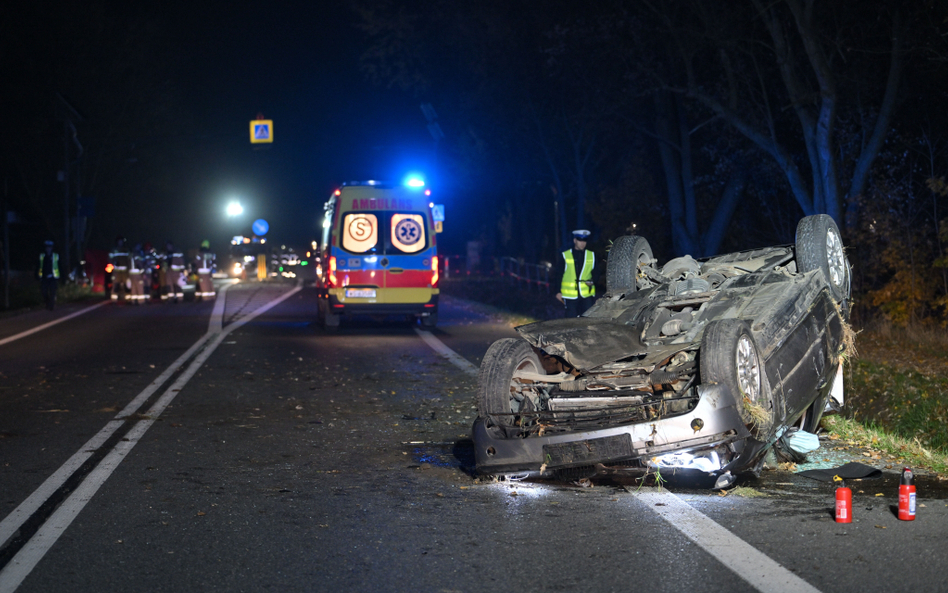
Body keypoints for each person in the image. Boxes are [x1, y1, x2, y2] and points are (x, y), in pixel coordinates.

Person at [556, 229, 598, 317]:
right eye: (580, 240)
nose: (582, 243)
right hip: (570, 295)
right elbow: (558, 274)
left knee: (587, 319)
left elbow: (596, 272)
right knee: (571, 320)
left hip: (586, 294)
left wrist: (593, 281)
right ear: (575, 240)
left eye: (585, 240)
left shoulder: (591, 255)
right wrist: (557, 291)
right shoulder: (565, 255)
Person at [37, 240, 60, 310]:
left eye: (50, 247)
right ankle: (48, 303)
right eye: (47, 247)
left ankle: (51, 306)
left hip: (53, 277)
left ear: (52, 248)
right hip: (44, 277)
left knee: (53, 292)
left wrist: (62, 277)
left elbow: (60, 266)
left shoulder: (56, 256)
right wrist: (38, 276)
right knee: (44, 292)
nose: (48, 249)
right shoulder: (42, 256)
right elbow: (39, 266)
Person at [108, 236, 131, 302]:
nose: (120, 243)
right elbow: (109, 258)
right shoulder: (114, 250)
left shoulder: (126, 250)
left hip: (125, 271)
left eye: (121, 241)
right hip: (116, 271)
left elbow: (129, 260)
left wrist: (129, 268)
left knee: (127, 285)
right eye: (119, 241)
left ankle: (128, 299)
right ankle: (114, 299)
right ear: (117, 242)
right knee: (115, 284)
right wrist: (114, 262)